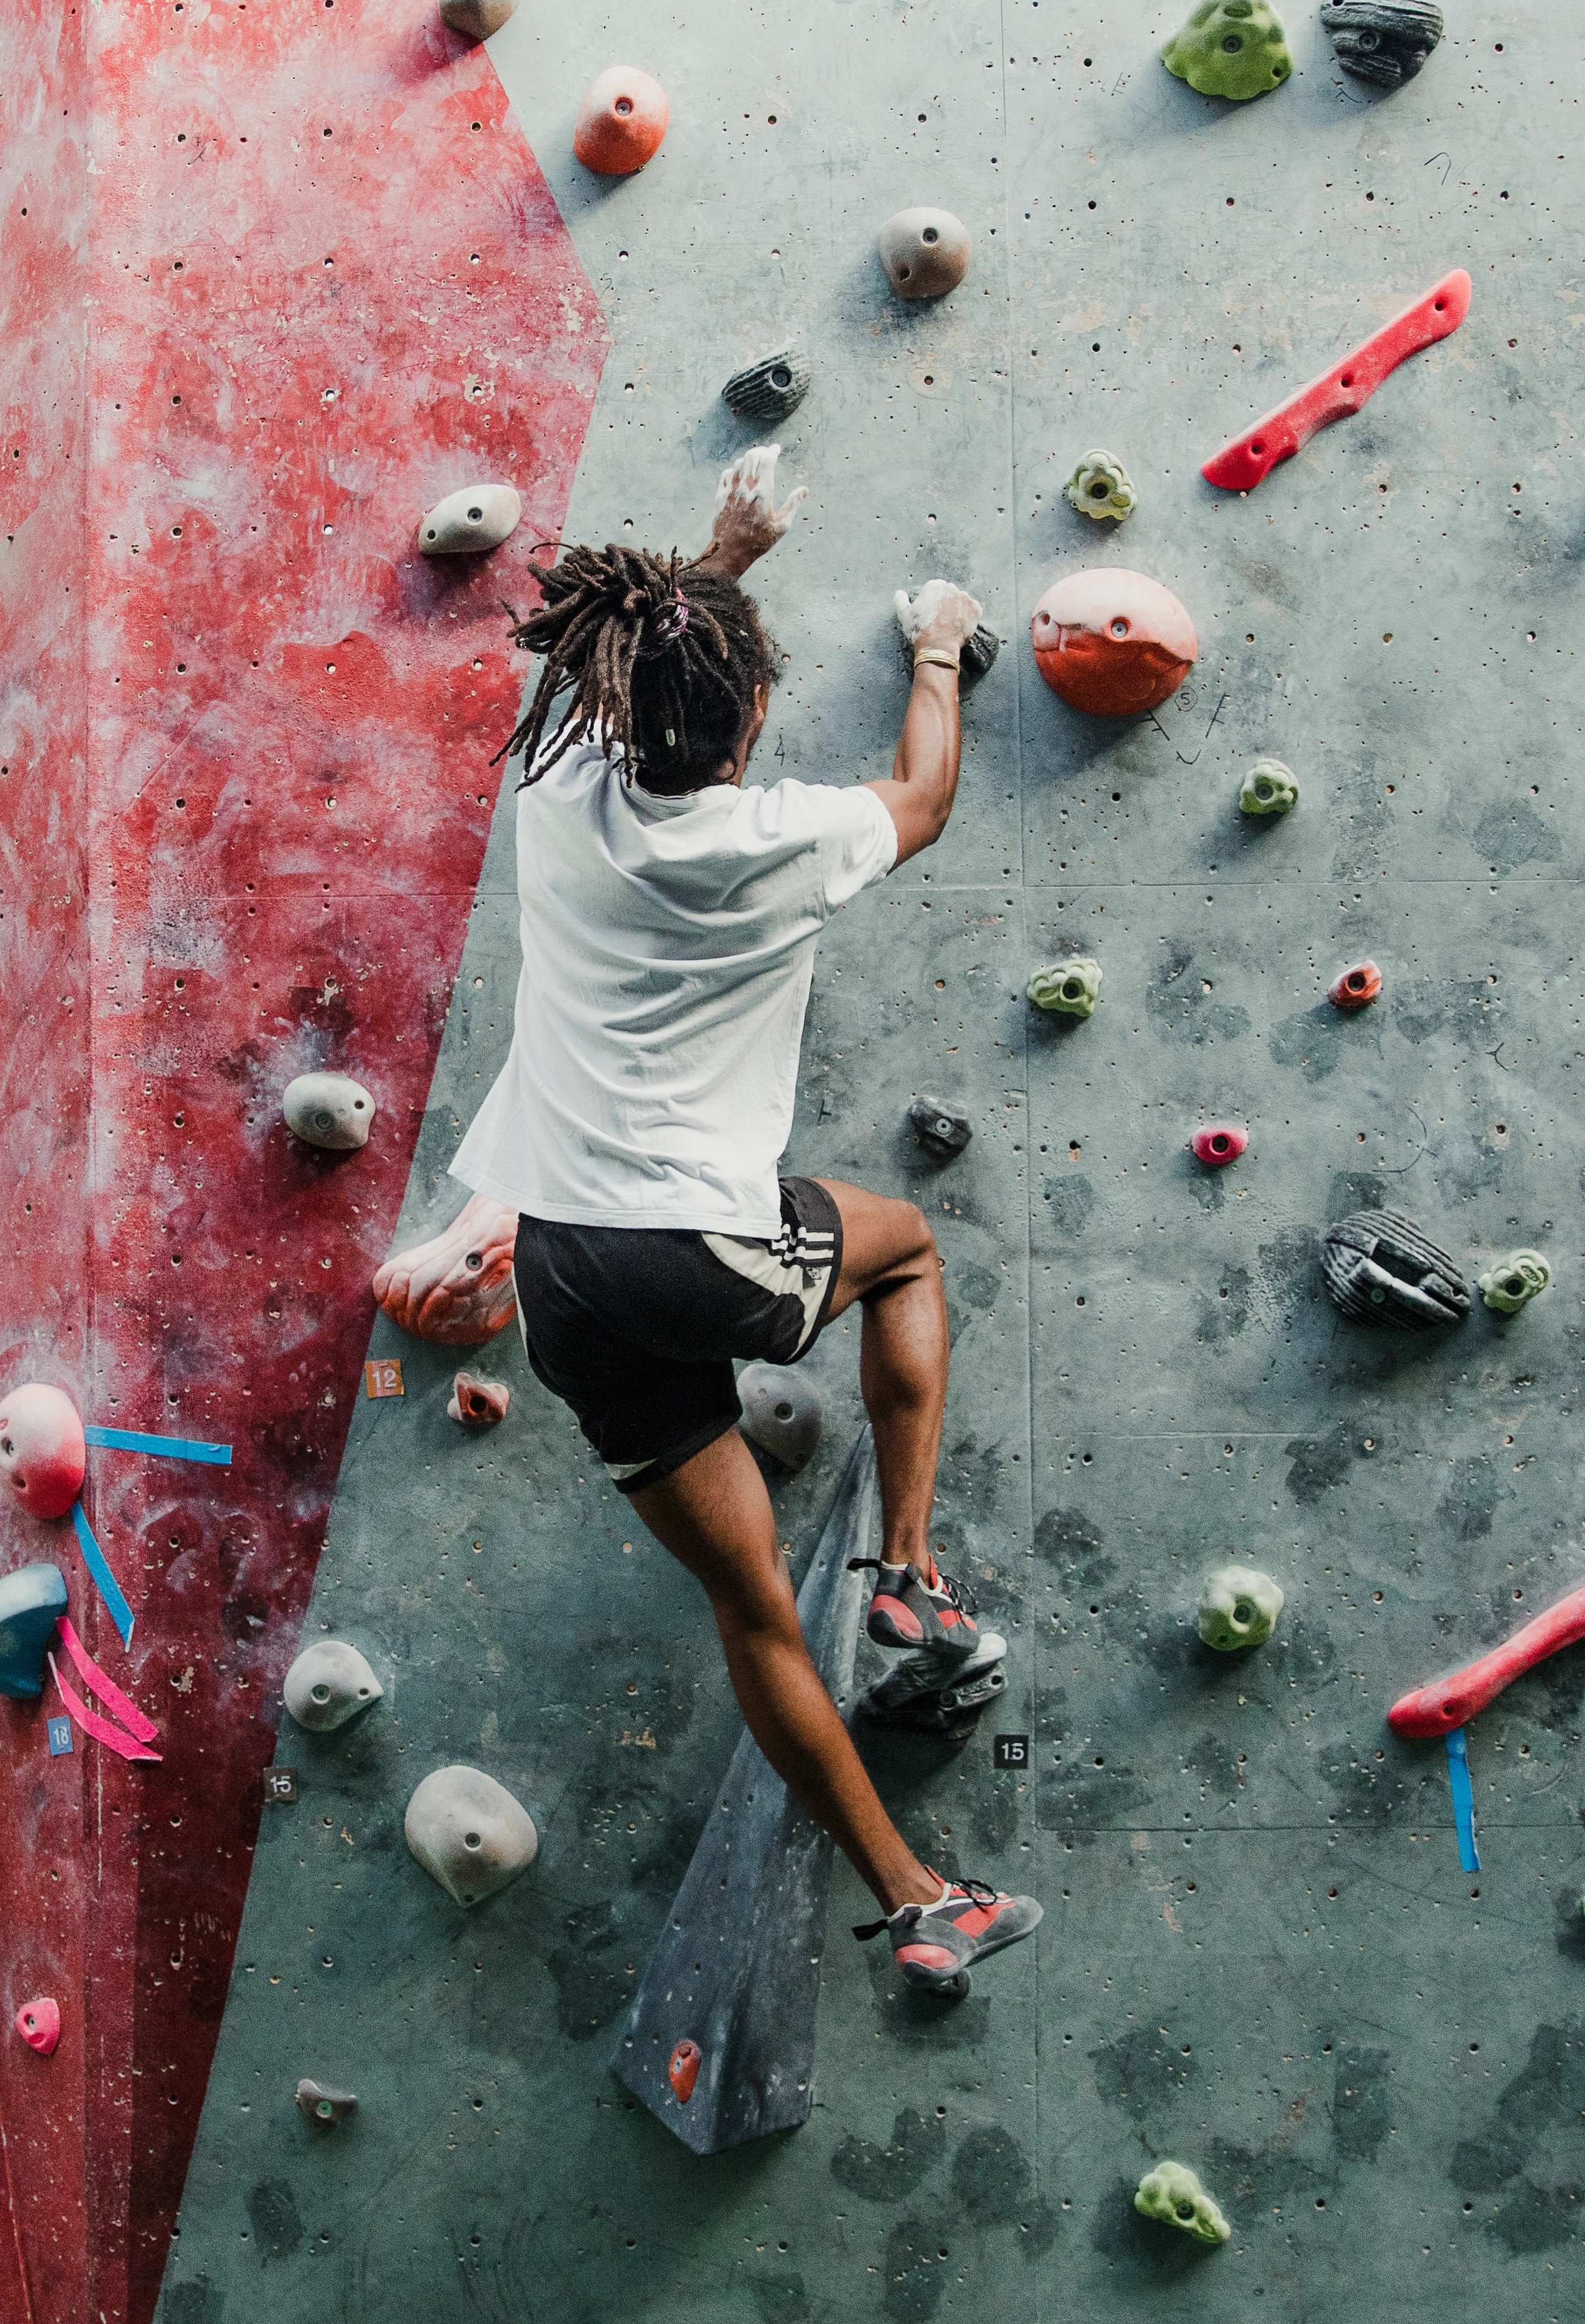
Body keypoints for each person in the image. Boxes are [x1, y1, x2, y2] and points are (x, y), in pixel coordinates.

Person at [447, 450, 1037, 2001]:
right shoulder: (776, 839)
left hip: (562, 1265)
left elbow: (623, 668)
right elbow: (921, 794)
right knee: (903, 1244)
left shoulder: (557, 791)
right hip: (688, 1246)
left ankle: (920, 1903)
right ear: (757, 721)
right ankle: (906, 1571)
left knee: (750, 1604)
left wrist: (720, 553)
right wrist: (936, 643)